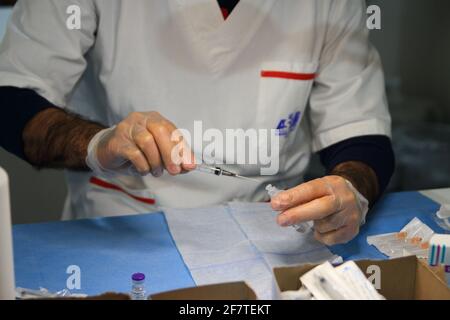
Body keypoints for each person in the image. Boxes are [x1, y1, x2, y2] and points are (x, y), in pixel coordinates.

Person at [0, 0, 394, 245]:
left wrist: (350, 189)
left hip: (270, 227)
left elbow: (360, 131)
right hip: (125, 225)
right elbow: (12, 99)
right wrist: (98, 143)